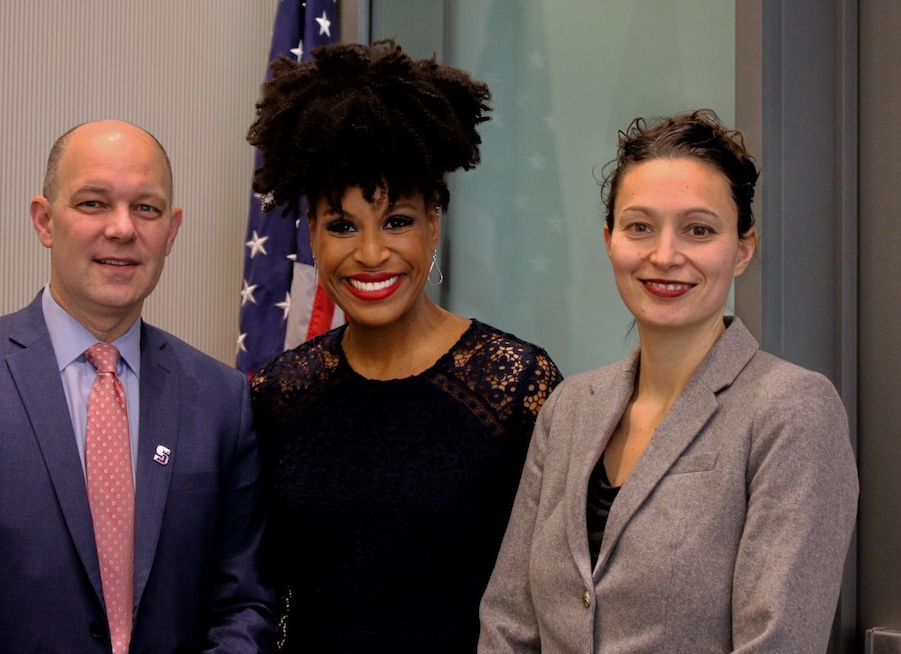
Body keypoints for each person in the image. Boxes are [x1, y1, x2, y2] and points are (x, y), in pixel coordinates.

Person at [0, 120, 276, 653]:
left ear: (171, 231)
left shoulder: (222, 398)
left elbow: (247, 603)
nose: (122, 229)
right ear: (44, 220)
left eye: (145, 208)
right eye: (94, 203)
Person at [478, 109, 858, 652]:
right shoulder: (570, 408)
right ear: (610, 239)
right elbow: (507, 623)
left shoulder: (791, 409)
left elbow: (779, 642)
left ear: (743, 248)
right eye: (640, 227)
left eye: (698, 230)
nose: (664, 255)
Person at [245, 39, 562, 653]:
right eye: (342, 226)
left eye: (396, 221)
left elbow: (551, 594)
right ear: (311, 234)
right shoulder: (278, 393)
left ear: (434, 225)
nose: (370, 254)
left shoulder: (517, 384)